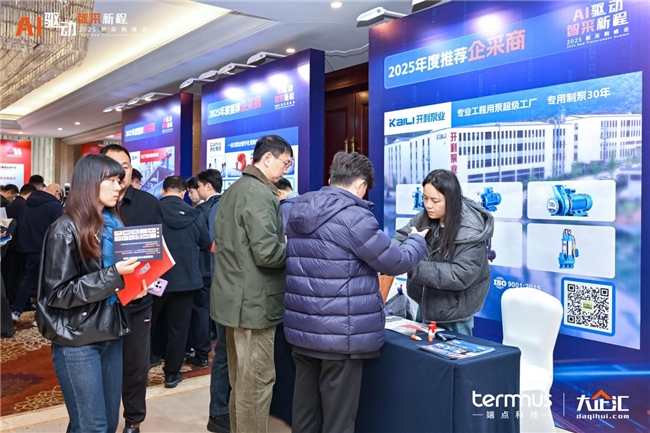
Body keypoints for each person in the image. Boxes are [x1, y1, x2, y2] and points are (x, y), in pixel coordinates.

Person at [283, 152, 428, 433]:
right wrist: (415, 241)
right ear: (360, 185)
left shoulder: (299, 207)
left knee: (305, 412)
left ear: (331, 178)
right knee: (339, 420)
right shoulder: (355, 217)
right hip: (341, 335)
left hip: (303, 330)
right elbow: (395, 262)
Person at [35, 154, 147, 433]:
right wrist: (114, 276)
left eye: (119, 180)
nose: (119, 187)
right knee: (92, 426)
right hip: (77, 338)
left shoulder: (113, 224)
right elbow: (58, 293)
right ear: (89, 182)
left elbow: (111, 283)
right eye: (111, 180)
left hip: (110, 331)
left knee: (106, 423)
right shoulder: (65, 228)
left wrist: (131, 289)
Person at [211, 135, 292, 433]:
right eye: (286, 163)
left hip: (234, 300)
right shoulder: (259, 193)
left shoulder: (236, 189)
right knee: (256, 383)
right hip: (254, 304)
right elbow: (267, 254)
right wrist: (291, 247)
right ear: (268, 158)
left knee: (241, 382)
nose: (286, 169)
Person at [100, 144, 163, 433]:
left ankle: (134, 421)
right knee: (103, 369)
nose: (120, 174)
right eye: (113, 168)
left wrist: (150, 280)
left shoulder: (148, 203)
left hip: (138, 302)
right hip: (101, 304)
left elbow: (158, 251)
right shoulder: (92, 207)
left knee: (136, 367)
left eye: (125, 167)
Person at [392, 169, 494, 336]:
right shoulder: (425, 216)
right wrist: (397, 255)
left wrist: (413, 266)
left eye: (435, 200)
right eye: (425, 198)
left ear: (451, 200)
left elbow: (460, 274)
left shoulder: (470, 230)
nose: (428, 205)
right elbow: (401, 236)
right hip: (426, 304)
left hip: (455, 314)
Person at [152, 176, 211, 388]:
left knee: (149, 324)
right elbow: (205, 243)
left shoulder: (152, 212)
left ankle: (146, 361)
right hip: (186, 280)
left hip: (156, 279)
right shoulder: (195, 214)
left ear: (163, 191)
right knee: (179, 328)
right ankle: (172, 374)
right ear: (184, 192)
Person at [194, 169, 231, 433]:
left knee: (224, 353)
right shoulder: (219, 208)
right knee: (225, 354)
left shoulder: (212, 209)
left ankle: (220, 410)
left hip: (215, 282)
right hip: (223, 286)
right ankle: (219, 411)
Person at [12, 183, 64, 320]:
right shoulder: (54, 205)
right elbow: (60, 228)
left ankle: (16, 311)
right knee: (48, 282)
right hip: (48, 248)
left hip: (28, 248)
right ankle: (41, 316)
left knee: (28, 279)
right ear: (57, 192)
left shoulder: (27, 203)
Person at [3, 183, 37, 304]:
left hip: (9, 243)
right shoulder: (24, 205)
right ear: (29, 194)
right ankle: (17, 300)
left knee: (12, 273)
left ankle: (11, 298)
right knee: (19, 275)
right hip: (20, 245)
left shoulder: (11, 204)